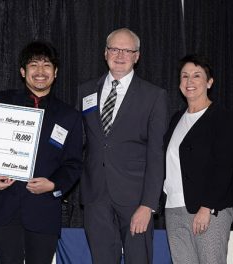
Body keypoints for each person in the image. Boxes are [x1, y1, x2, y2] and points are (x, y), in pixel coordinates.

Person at [0, 41, 83, 264]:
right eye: (34, 65)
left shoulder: (68, 116)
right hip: (3, 206)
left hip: (43, 209)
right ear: (23, 71)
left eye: (46, 65)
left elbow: (73, 164)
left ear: (55, 72)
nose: (40, 72)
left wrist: (53, 184)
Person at [78, 27, 168, 263]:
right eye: (114, 49)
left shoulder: (154, 96)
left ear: (137, 56)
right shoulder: (86, 91)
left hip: (135, 200)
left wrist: (148, 204)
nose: (120, 55)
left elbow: (156, 155)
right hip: (96, 197)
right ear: (105, 53)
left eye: (127, 51)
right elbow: (80, 142)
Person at [163, 54, 233, 263]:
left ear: (209, 82)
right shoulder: (176, 119)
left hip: (207, 210)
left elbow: (224, 166)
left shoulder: (221, 118)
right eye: (184, 76)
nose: (189, 81)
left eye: (197, 76)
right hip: (173, 208)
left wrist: (207, 207)